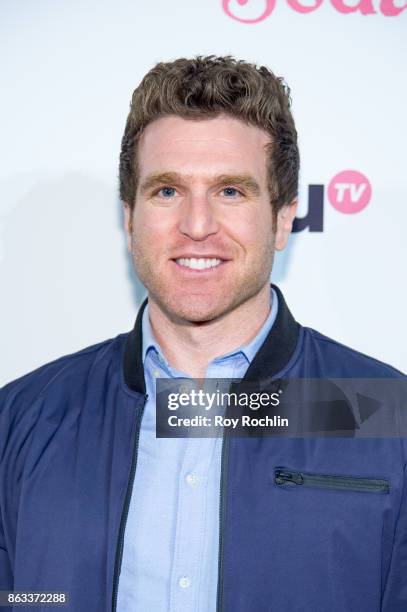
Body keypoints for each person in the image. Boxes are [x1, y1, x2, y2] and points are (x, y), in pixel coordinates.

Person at [0, 55, 405, 612]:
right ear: (129, 217)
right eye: (166, 191)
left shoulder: (383, 413)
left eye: (230, 191)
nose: (196, 224)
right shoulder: (21, 418)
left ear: (284, 218)